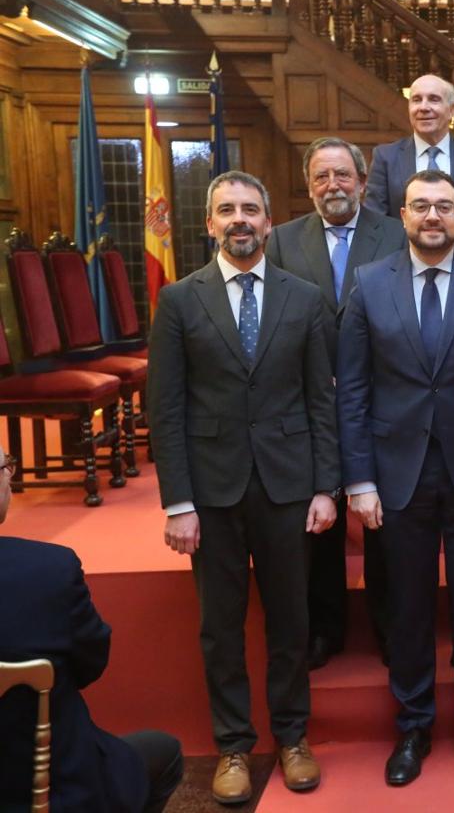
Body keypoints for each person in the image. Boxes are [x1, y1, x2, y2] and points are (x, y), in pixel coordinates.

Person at [147, 170, 339, 804]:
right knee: (221, 625)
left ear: (267, 221)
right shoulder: (179, 300)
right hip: (211, 489)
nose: (240, 220)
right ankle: (232, 744)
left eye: (251, 210)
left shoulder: (305, 298)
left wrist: (325, 487)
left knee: (291, 619)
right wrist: (177, 502)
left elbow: (321, 401)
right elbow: (166, 408)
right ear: (209, 223)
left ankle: (292, 738)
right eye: (227, 210)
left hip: (288, 486)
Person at [337, 169, 454, 787]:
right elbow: (355, 392)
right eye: (421, 206)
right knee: (409, 610)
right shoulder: (368, 284)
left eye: (445, 206)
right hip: (398, 476)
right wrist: (359, 480)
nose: (433, 216)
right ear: (401, 213)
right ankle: (413, 725)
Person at [265, 136, 408, 670]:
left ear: (363, 182)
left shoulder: (395, 234)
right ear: (309, 185)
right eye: (322, 177)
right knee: (320, 518)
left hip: (383, 397)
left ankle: (391, 624)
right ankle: (324, 626)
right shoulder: (281, 241)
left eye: (343, 175)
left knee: (382, 518)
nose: (333, 186)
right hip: (310, 401)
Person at [0, 449, 183, 813]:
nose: (10, 475)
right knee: (162, 752)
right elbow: (91, 663)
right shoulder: (50, 571)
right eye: (6, 466)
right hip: (54, 790)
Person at [365, 74, 454, 217]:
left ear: (451, 110)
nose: (423, 107)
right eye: (416, 100)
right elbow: (375, 219)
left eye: (434, 99)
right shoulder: (386, 158)